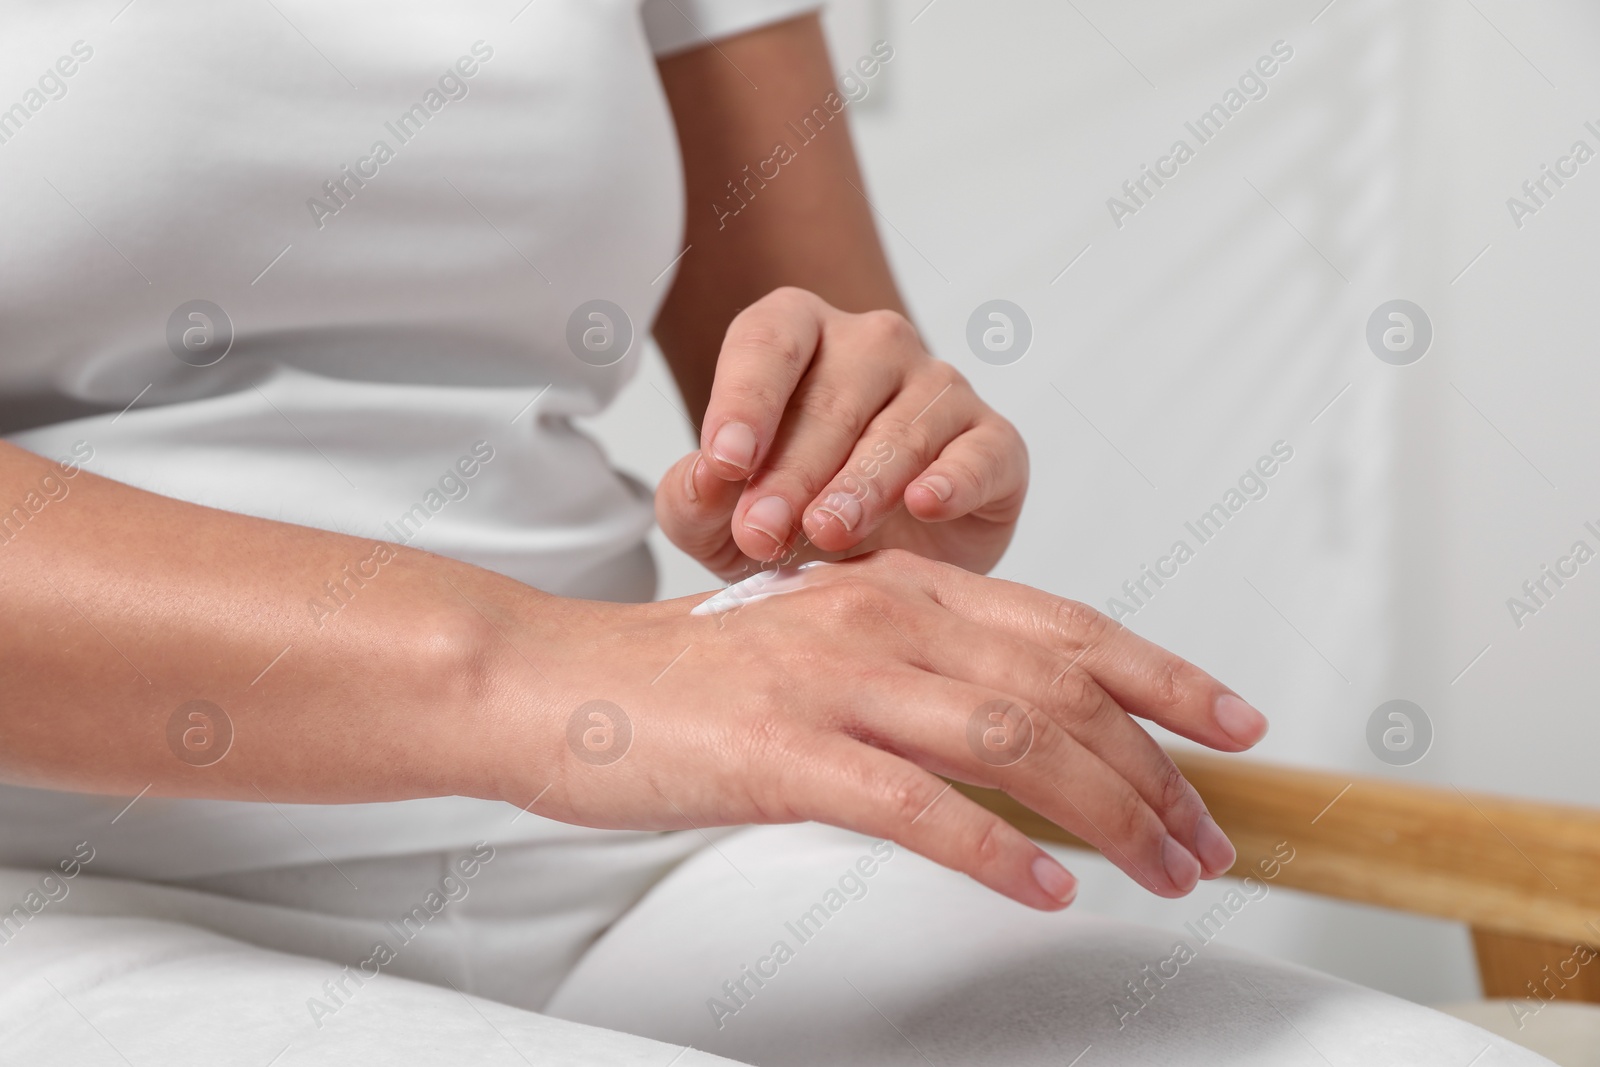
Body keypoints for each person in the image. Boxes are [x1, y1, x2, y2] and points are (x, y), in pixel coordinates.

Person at [0, 3, 1551, 1064]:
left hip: (626, 861)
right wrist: (558, 677)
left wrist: (882, 471)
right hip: (60, 891)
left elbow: (825, 362)